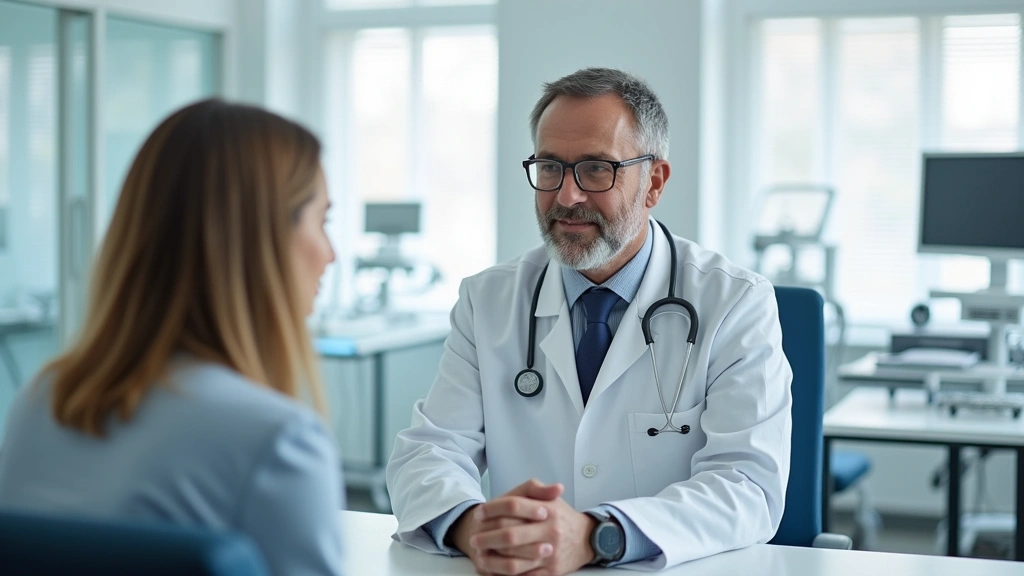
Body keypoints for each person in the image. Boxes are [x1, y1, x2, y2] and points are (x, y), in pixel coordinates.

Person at [386, 68, 793, 574]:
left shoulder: (735, 303)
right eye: (550, 168)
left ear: (654, 183)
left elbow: (747, 486)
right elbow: (430, 452)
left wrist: (597, 535)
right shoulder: (487, 300)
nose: (566, 196)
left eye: (596, 169)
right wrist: (478, 528)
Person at [0, 100, 344, 575]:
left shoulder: (42, 401)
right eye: (322, 221)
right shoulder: (281, 442)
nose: (331, 254)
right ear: (259, 239)